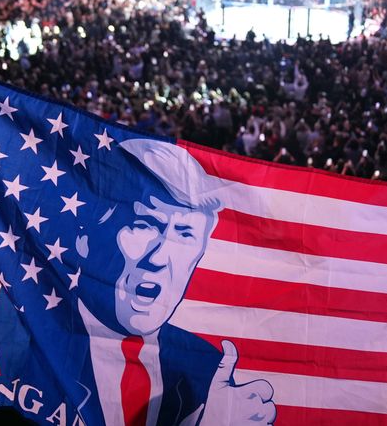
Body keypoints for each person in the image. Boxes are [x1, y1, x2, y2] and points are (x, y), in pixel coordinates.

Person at [47, 138, 275, 426]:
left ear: (202, 250)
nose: (158, 257)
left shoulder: (207, 373)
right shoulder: (34, 341)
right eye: (143, 225)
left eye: (184, 233)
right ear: (85, 237)